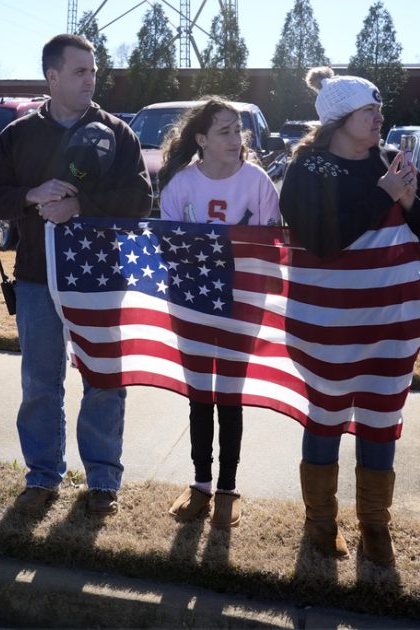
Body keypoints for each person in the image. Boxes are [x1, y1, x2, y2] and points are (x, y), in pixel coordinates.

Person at [0, 34, 152, 516]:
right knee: (40, 382)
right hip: (35, 278)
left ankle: (102, 480)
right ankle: (43, 477)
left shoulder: (118, 133)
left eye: (93, 71)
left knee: (103, 380)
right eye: (79, 71)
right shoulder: (18, 136)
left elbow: (140, 203)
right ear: (52, 77)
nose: (90, 79)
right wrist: (32, 196)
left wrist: (80, 207)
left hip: (100, 280)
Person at [279, 67, 420, 565]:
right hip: (326, 324)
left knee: (380, 419)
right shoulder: (308, 168)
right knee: (327, 418)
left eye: (379, 109)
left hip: (392, 322)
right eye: (369, 111)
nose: (380, 118)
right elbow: (324, 241)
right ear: (339, 118)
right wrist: (386, 194)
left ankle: (376, 524)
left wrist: (411, 199)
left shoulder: (395, 162)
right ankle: (321, 522)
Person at [158, 97, 281, 529]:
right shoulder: (180, 186)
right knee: (199, 395)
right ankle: (201, 484)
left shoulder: (258, 183)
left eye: (238, 130)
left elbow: (271, 250)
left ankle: (228, 488)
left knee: (229, 395)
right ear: (202, 139)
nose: (235, 139)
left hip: (241, 305)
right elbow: (166, 249)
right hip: (192, 303)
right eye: (224, 131)